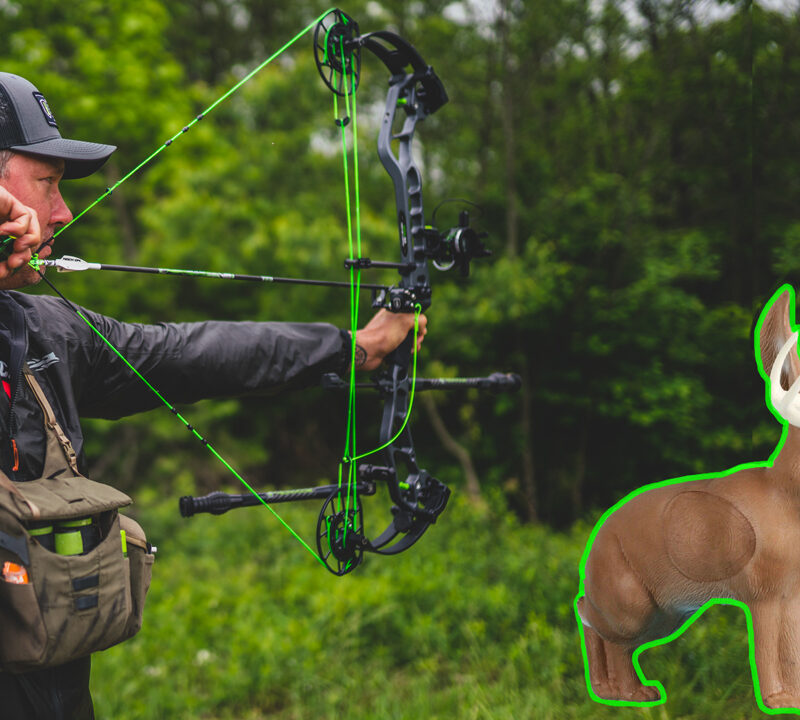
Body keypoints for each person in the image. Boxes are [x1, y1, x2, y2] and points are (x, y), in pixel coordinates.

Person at [0, 72, 426, 719]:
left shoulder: (41, 329)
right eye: (49, 183)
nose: (63, 212)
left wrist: (350, 348)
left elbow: (187, 353)